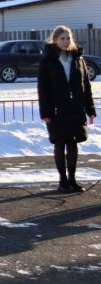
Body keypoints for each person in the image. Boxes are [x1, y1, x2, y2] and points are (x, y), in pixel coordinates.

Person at [37, 26, 96, 193]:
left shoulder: (78, 59)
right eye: (62, 38)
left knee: (73, 142)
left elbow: (86, 86)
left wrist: (90, 108)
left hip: (75, 107)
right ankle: (62, 180)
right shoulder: (47, 61)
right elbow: (43, 88)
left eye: (68, 38)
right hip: (57, 109)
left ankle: (72, 179)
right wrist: (45, 112)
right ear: (55, 40)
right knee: (60, 141)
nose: (65, 42)